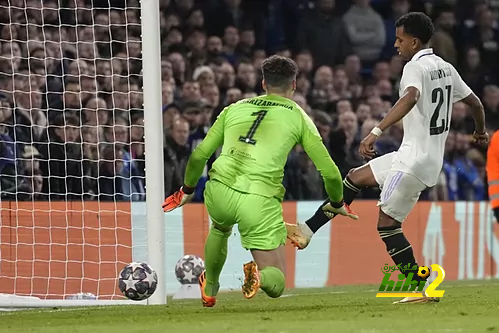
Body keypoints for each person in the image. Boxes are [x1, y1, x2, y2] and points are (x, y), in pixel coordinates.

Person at [286, 12, 488, 304]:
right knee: (355, 177)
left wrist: (376, 132)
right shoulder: (445, 67)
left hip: (413, 162)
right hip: (417, 155)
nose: (396, 45)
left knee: (388, 225)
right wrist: (479, 132)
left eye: (400, 39)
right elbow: (476, 103)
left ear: (414, 41)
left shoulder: (414, 67)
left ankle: (422, 287)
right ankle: (307, 230)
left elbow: (410, 97)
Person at [162, 55, 358, 307]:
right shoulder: (298, 116)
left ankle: (210, 287)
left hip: (219, 188)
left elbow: (199, 155)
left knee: (220, 228)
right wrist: (337, 201)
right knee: (277, 282)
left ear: (263, 83)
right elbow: (330, 173)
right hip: (258, 199)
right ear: (294, 85)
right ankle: (259, 275)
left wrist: (186, 189)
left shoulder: (234, 108)